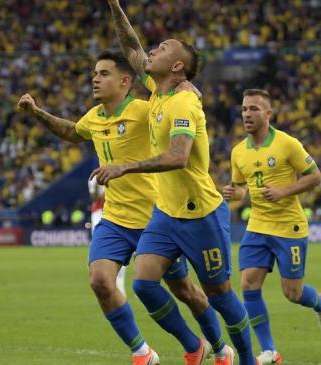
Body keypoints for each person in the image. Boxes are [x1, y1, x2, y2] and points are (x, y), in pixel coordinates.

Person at [17, 49, 214, 365]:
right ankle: (143, 353)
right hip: (116, 218)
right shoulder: (94, 117)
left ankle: (211, 345)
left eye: (103, 73)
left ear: (125, 81)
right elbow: (72, 131)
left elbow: (173, 107)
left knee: (186, 291)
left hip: (155, 218)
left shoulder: (143, 110)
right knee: (100, 281)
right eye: (94, 73)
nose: (95, 78)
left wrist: (188, 90)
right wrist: (38, 112)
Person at [94, 1, 255, 364]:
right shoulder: (157, 89)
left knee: (220, 296)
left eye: (164, 48)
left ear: (178, 66)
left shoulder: (183, 103)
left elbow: (179, 156)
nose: (154, 50)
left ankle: (244, 357)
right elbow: (132, 47)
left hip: (202, 214)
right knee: (144, 284)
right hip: (166, 214)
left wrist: (124, 168)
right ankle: (193, 345)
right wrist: (115, 7)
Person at [222, 89, 321, 364]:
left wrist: (284, 191)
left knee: (292, 293)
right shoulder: (238, 152)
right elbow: (241, 189)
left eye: (253, 109)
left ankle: (320, 302)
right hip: (258, 225)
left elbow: (315, 176)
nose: (247, 114)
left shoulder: (287, 144)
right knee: (248, 283)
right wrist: (233, 194)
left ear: (268, 114)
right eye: (244, 109)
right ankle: (270, 350)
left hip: (289, 227)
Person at [87, 178, 127, 297]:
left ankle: (119, 283)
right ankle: (103, 274)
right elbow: (94, 198)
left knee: (121, 245)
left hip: (115, 211)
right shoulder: (94, 177)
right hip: (98, 212)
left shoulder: (117, 172)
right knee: (98, 243)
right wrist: (96, 187)